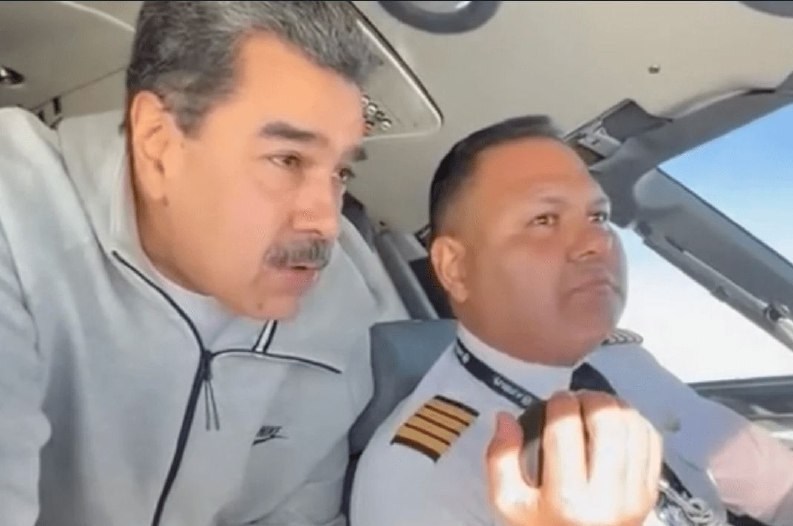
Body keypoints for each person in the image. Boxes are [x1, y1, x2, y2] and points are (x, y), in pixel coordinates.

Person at [0, 2, 404, 525]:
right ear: (158, 143)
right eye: (287, 160)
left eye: (341, 172)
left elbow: (299, 510)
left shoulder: (340, 305)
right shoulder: (16, 214)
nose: (326, 221)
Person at [349, 115, 793, 526]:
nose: (596, 242)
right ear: (456, 268)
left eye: (598, 216)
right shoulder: (415, 474)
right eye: (544, 220)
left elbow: (777, 487)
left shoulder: (624, 364)